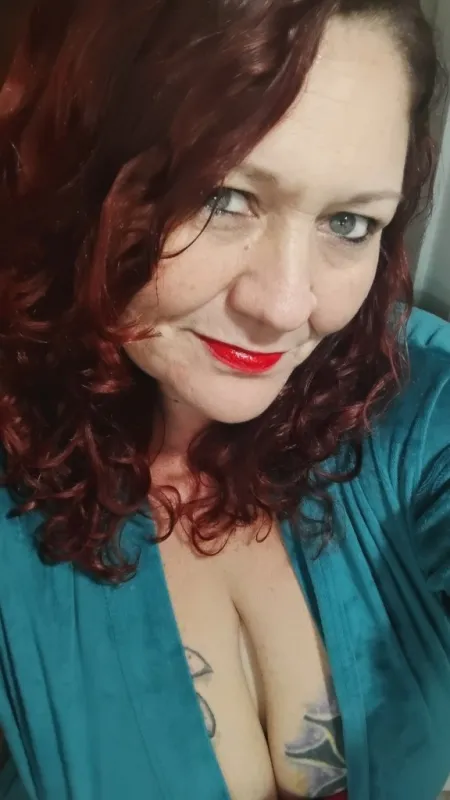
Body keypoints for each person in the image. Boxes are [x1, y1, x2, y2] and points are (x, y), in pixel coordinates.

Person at [0, 0, 448, 797]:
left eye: (348, 221)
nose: (285, 305)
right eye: (221, 197)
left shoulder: (408, 397)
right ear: (81, 168)